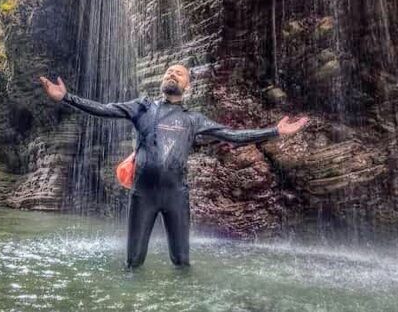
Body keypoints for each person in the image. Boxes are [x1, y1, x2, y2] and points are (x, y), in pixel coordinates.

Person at [38, 64, 309, 268]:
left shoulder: (194, 120)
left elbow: (233, 136)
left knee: (181, 261)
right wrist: (66, 98)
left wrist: (275, 131)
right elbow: (104, 109)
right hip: (142, 196)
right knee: (133, 262)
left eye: (179, 73)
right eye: (169, 72)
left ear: (187, 85)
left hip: (176, 198)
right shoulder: (142, 107)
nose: (172, 75)